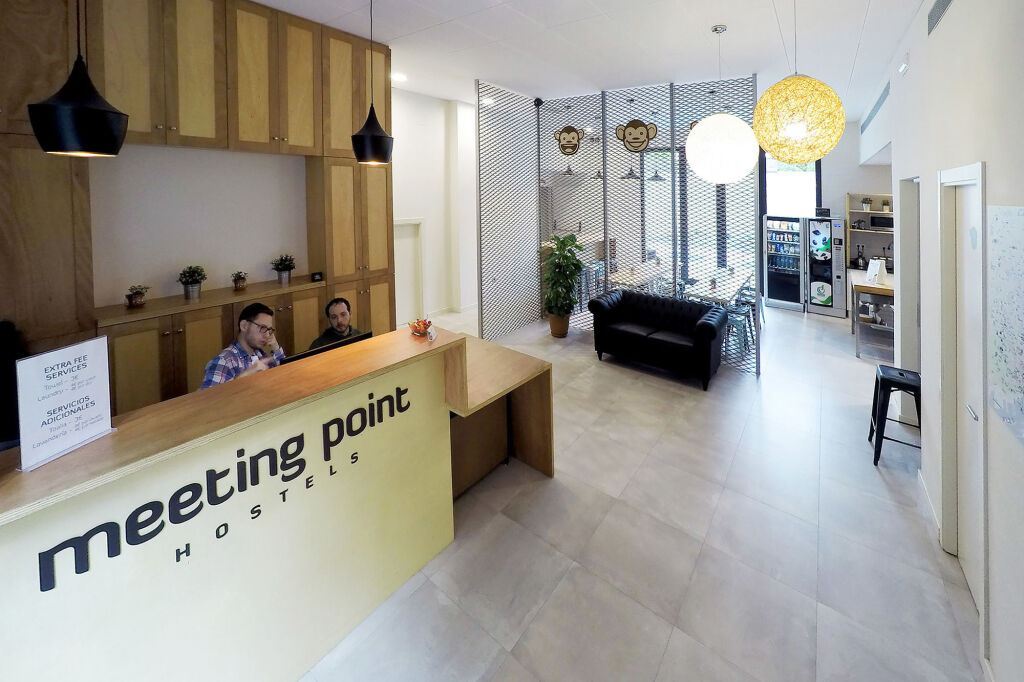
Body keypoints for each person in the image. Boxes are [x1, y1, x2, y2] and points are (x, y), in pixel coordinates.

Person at [200, 302, 285, 389]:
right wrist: (244, 376)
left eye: (269, 329)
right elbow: (208, 396)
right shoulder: (224, 361)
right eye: (262, 328)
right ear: (244, 326)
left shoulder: (259, 353)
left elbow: (284, 378)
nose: (267, 335)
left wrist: (276, 348)